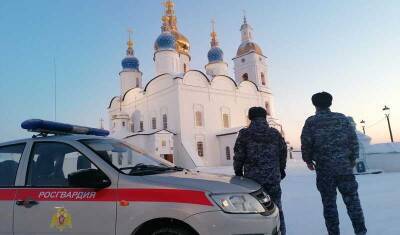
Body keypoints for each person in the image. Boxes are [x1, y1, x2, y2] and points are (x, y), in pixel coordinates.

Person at [301, 92, 367, 235]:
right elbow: (353, 140)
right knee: (353, 203)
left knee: (329, 205)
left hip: (325, 171)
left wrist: (308, 160)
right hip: (344, 168)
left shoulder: (311, 122)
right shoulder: (342, 118)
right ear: (330, 103)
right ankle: (361, 232)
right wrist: (352, 159)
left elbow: (306, 143)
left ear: (315, 104)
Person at [233, 107, 287, 235]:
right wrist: (281, 169)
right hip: (273, 178)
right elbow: (283, 153)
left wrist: (238, 172)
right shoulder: (274, 133)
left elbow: (238, 155)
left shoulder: (245, 134)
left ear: (250, 117)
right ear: (265, 117)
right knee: (277, 209)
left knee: (255, 211)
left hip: (253, 181)